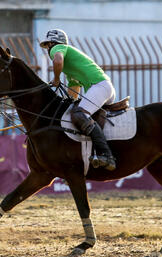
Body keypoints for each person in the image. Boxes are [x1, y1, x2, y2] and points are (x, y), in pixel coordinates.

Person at [40, 29, 116, 171]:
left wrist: (56, 80)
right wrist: (68, 102)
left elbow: (57, 60)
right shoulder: (71, 68)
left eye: (48, 45)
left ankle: (107, 155)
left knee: (79, 114)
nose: (48, 49)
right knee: (72, 113)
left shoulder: (58, 48)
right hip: (105, 88)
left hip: (100, 86)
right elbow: (74, 89)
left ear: (52, 43)